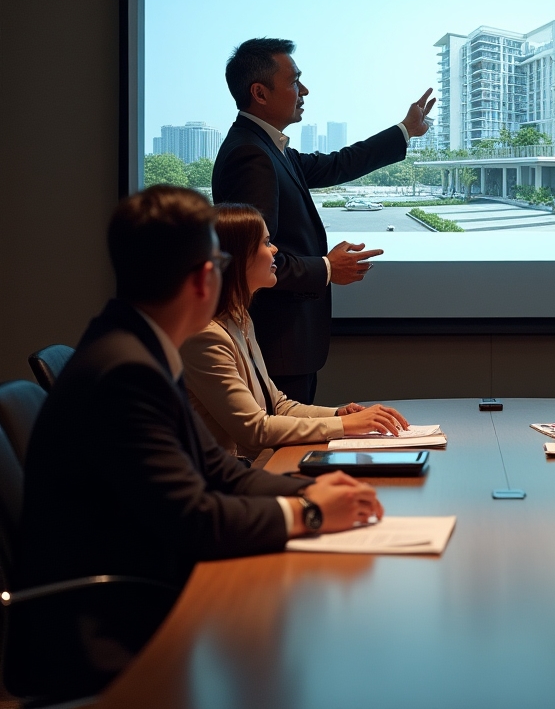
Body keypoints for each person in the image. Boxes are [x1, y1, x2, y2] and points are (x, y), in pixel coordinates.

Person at [13, 187, 384, 699]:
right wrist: (312, 516)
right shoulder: (126, 372)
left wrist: (303, 491)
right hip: (116, 630)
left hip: (141, 591)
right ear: (206, 277)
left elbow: (218, 469)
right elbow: (195, 519)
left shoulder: (134, 347)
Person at [212, 37, 435, 404]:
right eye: (294, 81)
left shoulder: (267, 147)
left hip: (287, 345)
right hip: (277, 343)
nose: (305, 90)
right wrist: (328, 268)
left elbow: (338, 163)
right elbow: (251, 258)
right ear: (260, 93)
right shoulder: (251, 155)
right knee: (279, 453)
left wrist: (405, 129)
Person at [182, 203, 409, 459]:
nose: (275, 250)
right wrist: (345, 426)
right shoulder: (205, 335)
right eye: (266, 243)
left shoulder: (239, 318)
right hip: (225, 484)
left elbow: (276, 405)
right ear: (237, 257)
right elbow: (255, 430)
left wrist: (339, 414)